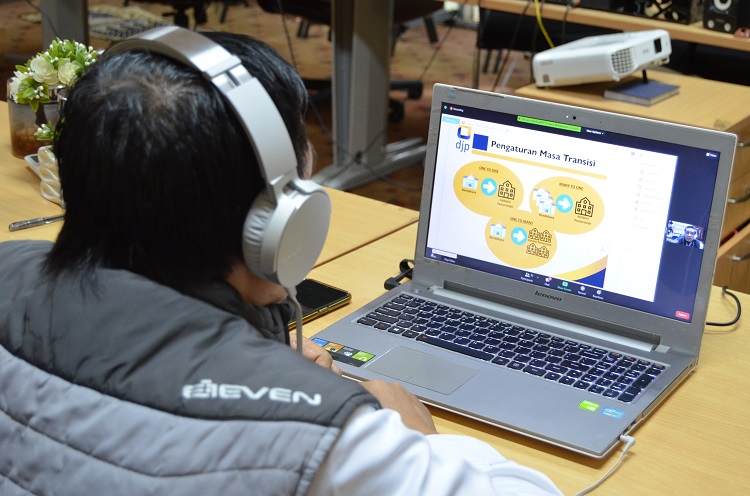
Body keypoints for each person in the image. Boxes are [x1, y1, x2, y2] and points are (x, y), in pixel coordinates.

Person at [0, 29, 561, 495]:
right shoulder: (324, 438)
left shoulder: (9, 267)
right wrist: (417, 437)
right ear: (280, 223)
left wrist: (254, 352)